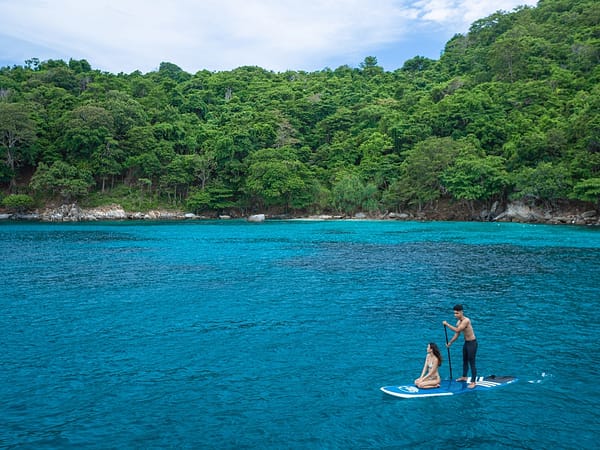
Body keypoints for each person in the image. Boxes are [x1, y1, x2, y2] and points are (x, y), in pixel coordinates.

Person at [443, 304, 478, 388]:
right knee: (464, 361)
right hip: (466, 343)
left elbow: (457, 329)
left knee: (471, 362)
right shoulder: (458, 322)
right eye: (454, 313)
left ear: (462, 312)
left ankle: (473, 382)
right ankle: (464, 376)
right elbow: (457, 334)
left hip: (472, 343)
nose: (455, 315)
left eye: (457, 313)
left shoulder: (466, 320)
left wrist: (447, 324)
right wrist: (450, 342)